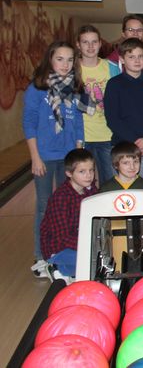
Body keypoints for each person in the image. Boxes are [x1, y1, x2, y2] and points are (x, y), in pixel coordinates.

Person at [24, 41, 93, 276]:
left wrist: (79, 153)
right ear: (50, 60)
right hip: (44, 156)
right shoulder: (37, 88)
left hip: (68, 157)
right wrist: (35, 157)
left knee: (71, 205)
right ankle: (41, 256)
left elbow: (79, 123)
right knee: (44, 206)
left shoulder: (75, 88)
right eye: (60, 59)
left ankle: (65, 250)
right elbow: (29, 123)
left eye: (70, 60)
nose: (65, 64)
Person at [104, 38, 143, 183]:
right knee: (123, 192)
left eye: (140, 56)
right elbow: (112, 119)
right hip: (123, 150)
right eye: (131, 57)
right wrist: (135, 143)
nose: (137, 61)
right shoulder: (114, 85)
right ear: (122, 59)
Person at [39, 148, 99, 282]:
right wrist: (90, 246)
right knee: (93, 261)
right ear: (69, 173)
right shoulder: (61, 198)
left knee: (103, 259)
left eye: (91, 170)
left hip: (80, 243)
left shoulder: (91, 190)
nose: (89, 175)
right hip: (58, 249)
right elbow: (62, 237)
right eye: (82, 172)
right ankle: (56, 266)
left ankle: (68, 270)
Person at [76, 25, 119, 184]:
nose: (90, 46)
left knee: (109, 184)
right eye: (85, 42)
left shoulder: (112, 68)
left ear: (100, 43)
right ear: (78, 45)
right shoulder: (72, 69)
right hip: (81, 137)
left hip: (107, 135)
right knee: (83, 185)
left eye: (94, 42)